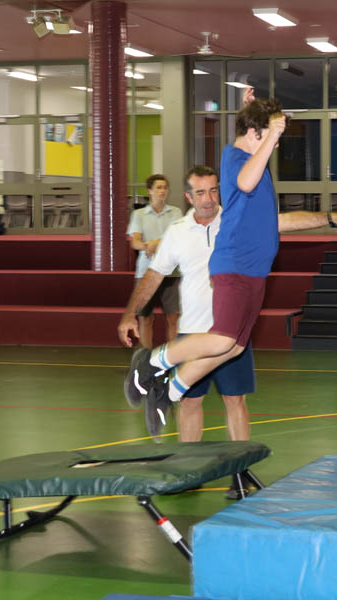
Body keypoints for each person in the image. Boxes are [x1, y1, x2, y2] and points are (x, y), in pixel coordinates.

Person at [126, 98, 337, 432]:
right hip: (236, 266)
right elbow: (244, 181)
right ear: (255, 134)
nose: (276, 145)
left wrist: (332, 217)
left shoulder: (253, 163)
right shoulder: (235, 158)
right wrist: (268, 133)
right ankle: (151, 362)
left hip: (255, 272)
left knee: (234, 347)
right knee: (222, 341)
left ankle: (168, 392)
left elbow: (277, 218)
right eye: (272, 137)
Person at [120, 166, 256, 498]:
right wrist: (129, 314)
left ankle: (240, 474)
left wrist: (330, 217)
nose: (208, 199)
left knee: (235, 400)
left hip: (231, 330)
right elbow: (154, 276)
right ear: (188, 197)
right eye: (200, 192)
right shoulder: (178, 231)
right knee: (190, 401)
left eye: (213, 190)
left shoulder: (235, 221)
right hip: (193, 333)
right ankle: (189, 472)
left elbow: (280, 223)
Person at [126, 174, 183, 348]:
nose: (163, 191)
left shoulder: (176, 212)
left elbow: (175, 238)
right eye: (159, 187)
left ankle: (173, 357)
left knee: (173, 317)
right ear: (150, 191)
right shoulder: (138, 214)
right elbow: (135, 242)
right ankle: (145, 358)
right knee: (145, 318)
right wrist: (147, 246)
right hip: (145, 272)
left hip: (171, 272)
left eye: (165, 187)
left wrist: (154, 244)